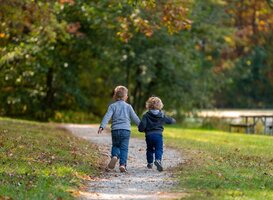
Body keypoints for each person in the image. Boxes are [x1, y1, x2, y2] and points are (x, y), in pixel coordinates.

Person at [98, 85, 140, 172]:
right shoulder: (128, 107)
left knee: (116, 145)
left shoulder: (112, 106)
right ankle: (122, 164)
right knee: (124, 148)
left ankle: (114, 156)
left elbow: (107, 116)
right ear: (126, 97)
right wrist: (141, 126)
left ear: (114, 96)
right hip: (126, 130)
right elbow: (135, 117)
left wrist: (102, 126)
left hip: (115, 130)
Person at [138, 96, 176, 171]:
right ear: (160, 105)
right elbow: (169, 120)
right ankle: (158, 160)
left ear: (148, 105)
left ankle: (150, 163)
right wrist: (173, 120)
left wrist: (141, 129)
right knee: (159, 149)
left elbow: (142, 126)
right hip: (158, 135)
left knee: (149, 149)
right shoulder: (161, 115)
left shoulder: (146, 115)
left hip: (149, 135)